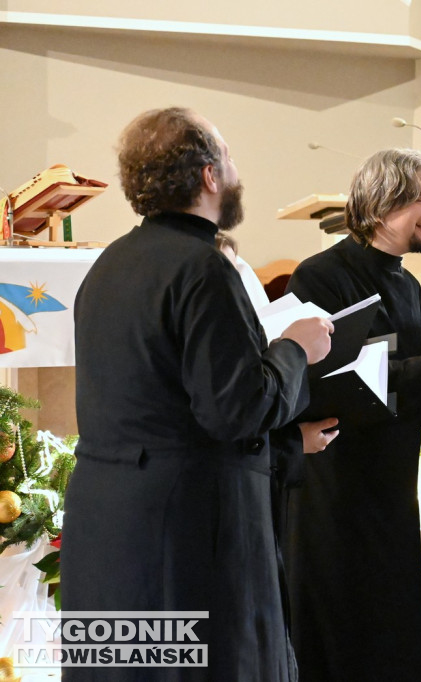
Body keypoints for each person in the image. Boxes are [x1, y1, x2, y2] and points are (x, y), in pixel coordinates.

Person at [61, 107, 333, 681]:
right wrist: (293, 350)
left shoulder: (106, 266)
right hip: (185, 534)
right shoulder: (202, 268)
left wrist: (288, 447)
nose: (235, 172)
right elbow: (235, 410)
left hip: (107, 524)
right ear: (209, 176)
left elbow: (159, 410)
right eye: (228, 159)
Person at [282, 148, 421, 681]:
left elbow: (409, 393)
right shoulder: (321, 277)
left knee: (390, 637)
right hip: (336, 490)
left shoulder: (407, 285)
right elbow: (326, 388)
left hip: (391, 492)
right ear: (381, 205)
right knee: (339, 637)